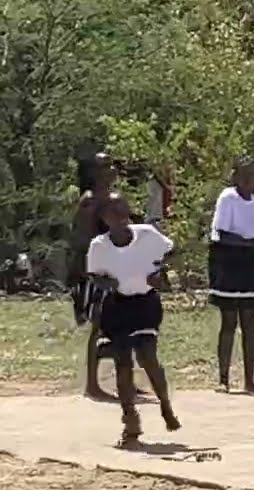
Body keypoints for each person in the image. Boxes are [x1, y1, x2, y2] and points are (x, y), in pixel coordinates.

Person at [85, 195, 179, 446]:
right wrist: (109, 283)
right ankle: (130, 419)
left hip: (145, 302)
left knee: (148, 355)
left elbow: (172, 251)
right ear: (105, 218)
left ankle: (165, 405)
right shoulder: (100, 246)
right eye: (113, 211)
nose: (120, 214)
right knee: (123, 362)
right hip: (117, 305)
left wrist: (159, 272)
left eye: (123, 208)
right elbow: (94, 276)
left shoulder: (147, 235)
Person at [208, 156, 254, 395]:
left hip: (246, 261)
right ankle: (223, 379)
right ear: (234, 175)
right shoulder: (228, 197)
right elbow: (223, 235)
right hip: (226, 259)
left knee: (249, 321)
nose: (248, 180)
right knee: (229, 321)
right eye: (243, 174)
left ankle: (249, 379)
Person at [70, 152, 118, 401]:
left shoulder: (111, 199)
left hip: (113, 269)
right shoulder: (90, 201)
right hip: (95, 272)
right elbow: (83, 242)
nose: (112, 169)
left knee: (122, 324)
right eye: (105, 166)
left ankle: (123, 378)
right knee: (98, 325)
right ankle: (92, 385)